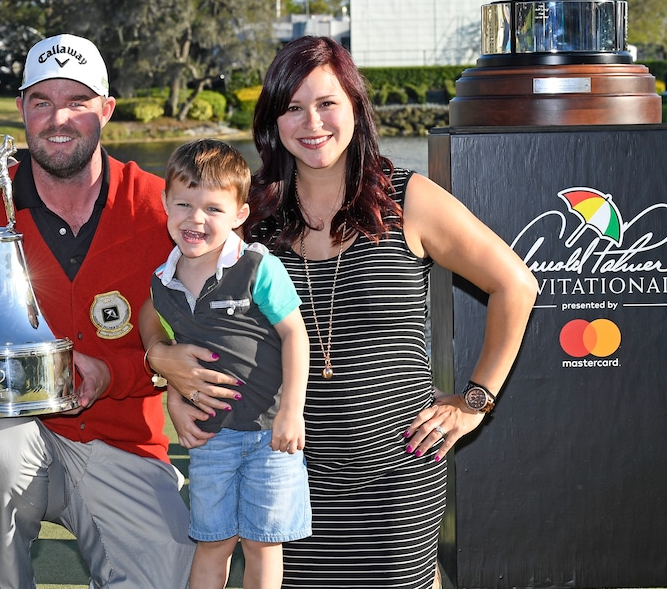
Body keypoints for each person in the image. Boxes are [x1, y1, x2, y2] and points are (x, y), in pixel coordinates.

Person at [145, 36, 539, 588]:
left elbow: (515, 285)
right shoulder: (243, 221)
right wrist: (170, 375)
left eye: (327, 103)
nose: (312, 122)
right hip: (281, 468)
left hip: (396, 482)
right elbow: (176, 311)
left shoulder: (409, 200)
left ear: (355, 106)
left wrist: (476, 401)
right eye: (293, 106)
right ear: (273, 120)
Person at [0, 33, 194, 589]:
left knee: (175, 573)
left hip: (121, 444)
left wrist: (113, 374)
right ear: (22, 110)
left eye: (77, 101)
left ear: (106, 110)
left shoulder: (163, 213)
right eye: (42, 101)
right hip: (13, 442)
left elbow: (191, 348)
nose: (58, 118)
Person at [148, 139, 311, 589]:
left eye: (213, 209)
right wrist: (174, 394)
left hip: (269, 436)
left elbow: (295, 334)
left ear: (240, 214)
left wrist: (290, 412)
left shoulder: (258, 266)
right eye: (183, 203)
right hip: (210, 437)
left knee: (262, 544)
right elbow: (167, 344)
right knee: (213, 541)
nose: (195, 219)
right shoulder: (162, 282)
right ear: (165, 202)